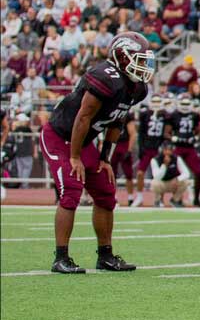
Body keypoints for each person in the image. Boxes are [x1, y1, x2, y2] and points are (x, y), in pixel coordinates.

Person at [42, 31, 155, 274]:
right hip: (60, 137)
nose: (143, 65)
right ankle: (61, 257)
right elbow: (82, 118)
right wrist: (74, 157)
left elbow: (117, 120)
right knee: (71, 189)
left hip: (83, 142)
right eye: (140, 59)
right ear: (122, 56)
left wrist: (104, 159)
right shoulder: (104, 77)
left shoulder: (136, 88)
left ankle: (105, 256)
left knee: (105, 190)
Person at [126, 95, 170, 207]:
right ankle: (139, 196)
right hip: (147, 148)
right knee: (140, 173)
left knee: (161, 175)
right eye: (154, 101)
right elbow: (141, 133)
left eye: (158, 101)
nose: (156, 104)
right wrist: (141, 148)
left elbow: (167, 131)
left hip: (158, 148)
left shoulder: (165, 115)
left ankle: (159, 198)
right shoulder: (145, 114)